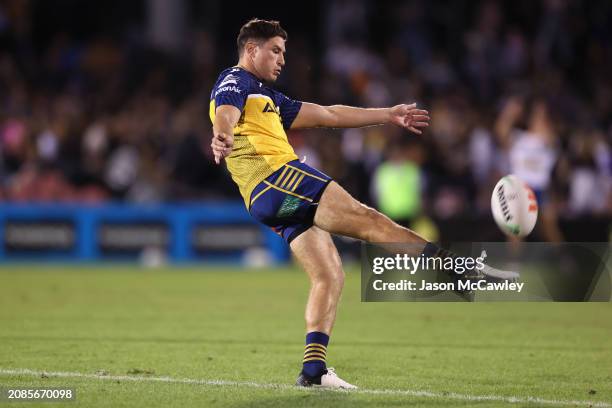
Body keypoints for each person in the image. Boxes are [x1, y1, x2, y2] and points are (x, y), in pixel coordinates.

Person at [209, 18, 513, 389]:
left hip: (268, 202)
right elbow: (225, 111)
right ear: (251, 49)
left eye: (285, 52)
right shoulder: (236, 81)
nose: (283, 59)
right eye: (276, 50)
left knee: (329, 274)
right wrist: (222, 135)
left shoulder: (269, 98)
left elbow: (329, 115)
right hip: (279, 179)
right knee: (371, 222)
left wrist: (387, 114)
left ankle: (314, 372)